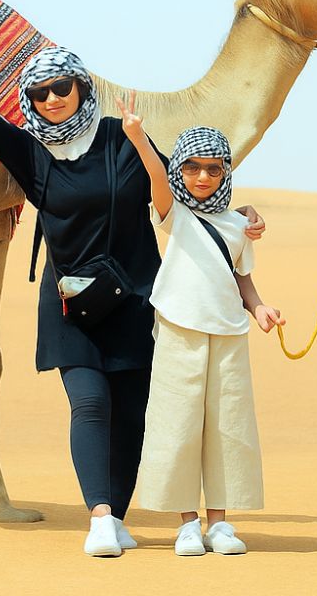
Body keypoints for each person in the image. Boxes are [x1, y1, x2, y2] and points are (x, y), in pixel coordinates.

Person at [0, 23, 266, 557]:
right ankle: (100, 517)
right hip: (72, 303)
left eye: (63, 87)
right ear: (30, 100)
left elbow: (188, 190)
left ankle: (119, 515)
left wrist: (241, 215)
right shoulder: (31, 155)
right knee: (89, 403)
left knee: (132, 412)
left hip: (134, 300)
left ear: (81, 87)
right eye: (40, 92)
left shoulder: (121, 137)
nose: (53, 99)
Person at [115, 106, 284, 557]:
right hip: (178, 328)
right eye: (191, 167)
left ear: (225, 171)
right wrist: (137, 135)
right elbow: (155, 173)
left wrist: (260, 308)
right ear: (180, 170)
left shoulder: (239, 224)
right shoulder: (174, 213)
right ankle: (187, 524)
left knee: (229, 426)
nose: (202, 177)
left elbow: (241, 276)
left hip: (229, 331)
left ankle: (221, 525)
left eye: (213, 168)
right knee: (179, 424)